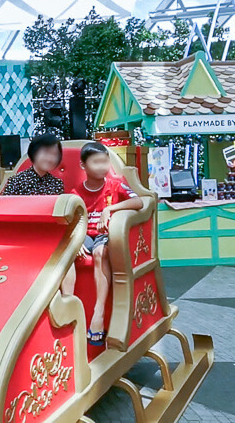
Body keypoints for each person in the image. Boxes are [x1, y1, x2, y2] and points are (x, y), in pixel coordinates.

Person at [63, 141, 143, 346]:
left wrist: (110, 210)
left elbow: (139, 202)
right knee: (67, 253)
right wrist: (75, 240)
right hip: (84, 234)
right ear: (83, 166)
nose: (102, 166)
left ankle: (98, 314)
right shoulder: (75, 192)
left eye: (104, 162)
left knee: (99, 252)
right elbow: (70, 220)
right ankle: (66, 306)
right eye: (96, 162)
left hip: (105, 234)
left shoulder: (115, 185)